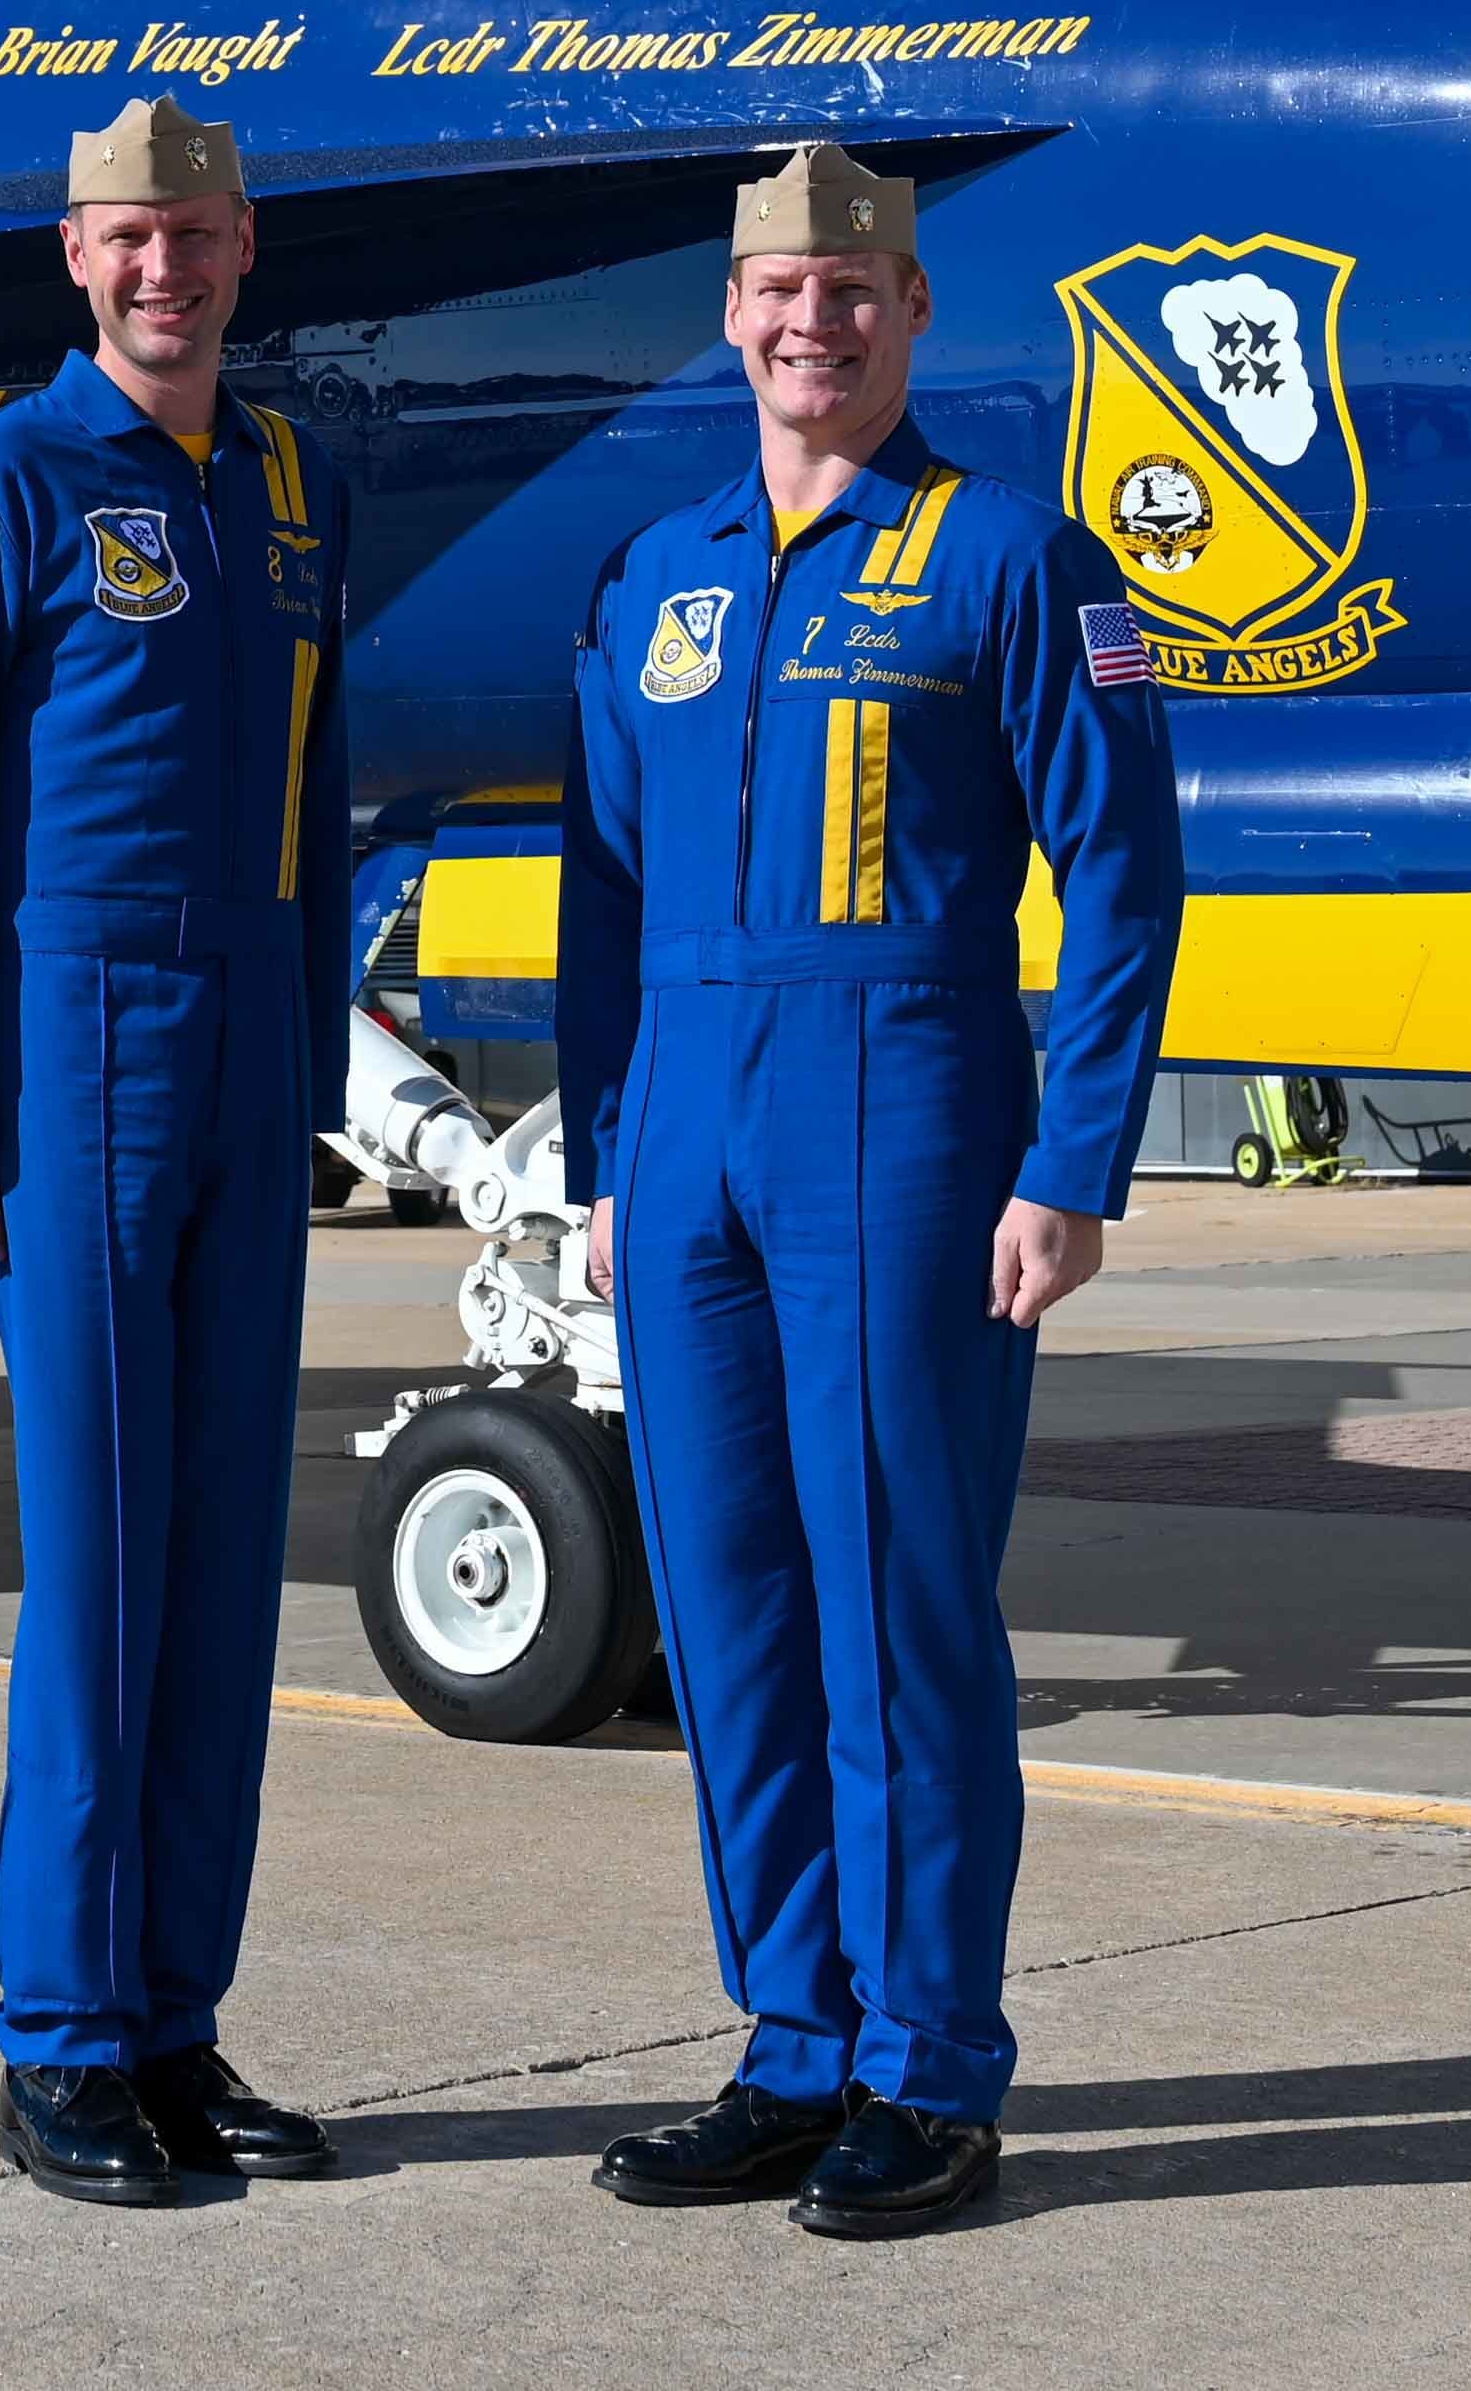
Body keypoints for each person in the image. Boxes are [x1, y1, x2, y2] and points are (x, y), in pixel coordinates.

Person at [558, 140, 1183, 2237]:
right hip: (688, 1124)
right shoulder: (659, 575)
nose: (809, 318)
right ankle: (792, 2037)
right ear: (730, 317)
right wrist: (606, 1151)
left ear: (914, 312)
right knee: (727, 1599)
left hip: (905, 1101)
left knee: (899, 1594)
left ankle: (930, 2061)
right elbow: (603, 895)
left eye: (852, 286)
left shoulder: (1017, 557)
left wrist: (1071, 1154)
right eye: (775, 289)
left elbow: (1119, 866)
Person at [0, 94, 355, 2209]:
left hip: (249, 1040)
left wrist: (315, 1059)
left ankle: (174, 2016)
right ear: (78, 257)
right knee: (103, 1568)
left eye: (201, 234)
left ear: (248, 252)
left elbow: (321, 795)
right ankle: (56, 2038)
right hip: (77, 1035)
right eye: (130, 236)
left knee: (227, 1562)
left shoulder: (285, 485)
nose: (168, 268)